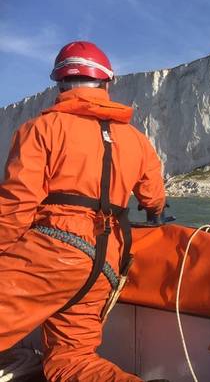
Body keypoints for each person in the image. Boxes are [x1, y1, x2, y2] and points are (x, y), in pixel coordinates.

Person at [0, 41, 167, 381]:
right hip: (105, 262)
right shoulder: (137, 140)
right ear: (106, 84)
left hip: (53, 251)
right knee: (72, 359)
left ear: (60, 84)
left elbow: (16, 206)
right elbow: (154, 200)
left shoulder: (39, 130)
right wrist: (154, 214)